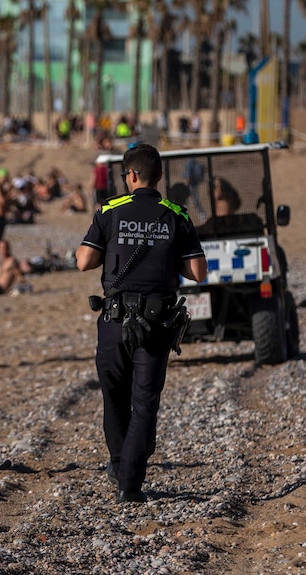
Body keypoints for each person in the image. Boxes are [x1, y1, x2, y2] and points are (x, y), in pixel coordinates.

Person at [75, 143, 207, 503]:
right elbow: (197, 272)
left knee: (114, 399)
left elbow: (84, 262)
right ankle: (129, 484)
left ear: (129, 176)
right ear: (160, 176)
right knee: (145, 403)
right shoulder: (176, 214)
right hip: (156, 323)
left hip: (114, 320)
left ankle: (120, 466)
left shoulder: (111, 210)